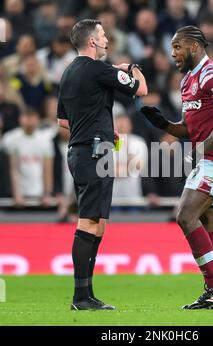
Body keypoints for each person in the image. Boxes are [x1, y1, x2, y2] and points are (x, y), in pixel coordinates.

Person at [141, 26, 213, 309]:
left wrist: (200, 149)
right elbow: (189, 128)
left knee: (184, 216)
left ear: (194, 47)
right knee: (207, 221)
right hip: (207, 156)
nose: (173, 54)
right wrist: (165, 125)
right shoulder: (187, 81)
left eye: (177, 47)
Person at [56, 19, 148, 311]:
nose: (107, 38)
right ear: (92, 42)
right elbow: (140, 90)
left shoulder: (69, 72)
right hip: (94, 154)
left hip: (86, 150)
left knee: (98, 224)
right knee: (88, 222)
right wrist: (133, 70)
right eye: (103, 35)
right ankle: (80, 297)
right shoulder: (98, 69)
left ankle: (87, 295)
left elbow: (62, 121)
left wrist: (103, 129)